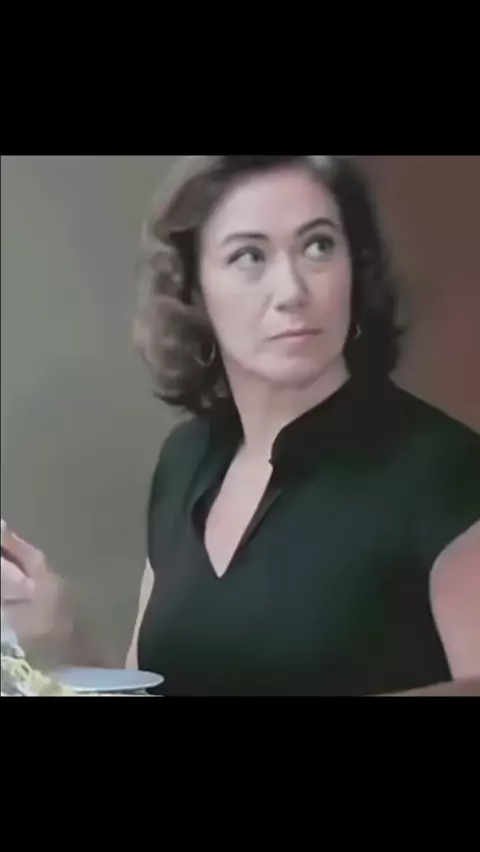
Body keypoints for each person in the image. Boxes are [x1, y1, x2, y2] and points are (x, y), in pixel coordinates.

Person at [2, 155, 479, 696]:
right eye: (249, 255)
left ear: (356, 266)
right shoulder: (185, 461)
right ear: (194, 290)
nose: (292, 291)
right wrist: (61, 637)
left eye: (318, 246)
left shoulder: (447, 470)